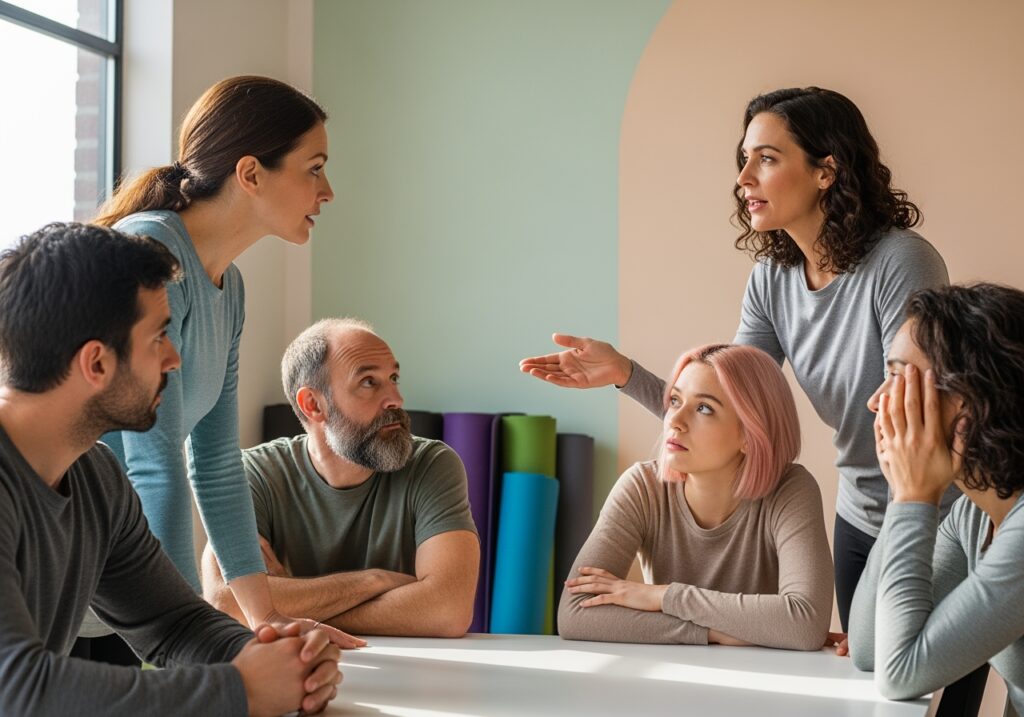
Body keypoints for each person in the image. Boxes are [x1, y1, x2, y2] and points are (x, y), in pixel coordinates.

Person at [520, 86, 956, 634]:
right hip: (861, 514)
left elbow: (923, 411)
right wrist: (624, 374)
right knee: (872, 679)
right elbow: (731, 411)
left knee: (932, 683)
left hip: (934, 509)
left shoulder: (901, 262)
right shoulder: (772, 281)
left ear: (827, 171)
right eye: (743, 159)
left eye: (766, 159)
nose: (744, 177)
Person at [0, 223, 341, 716]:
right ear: (96, 363)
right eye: (159, 336)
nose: (175, 358)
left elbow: (173, 622)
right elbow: (15, 689)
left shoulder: (97, 478)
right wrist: (241, 690)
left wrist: (270, 656)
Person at [86, 75, 358, 651]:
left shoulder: (227, 288)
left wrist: (263, 620)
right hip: (61, 556)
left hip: (110, 582)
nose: (328, 190)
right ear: (251, 173)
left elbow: (213, 464)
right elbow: (154, 467)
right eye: (314, 167)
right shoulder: (150, 253)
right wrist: (189, 643)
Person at [200, 318, 480, 637]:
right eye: (368, 382)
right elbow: (226, 603)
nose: (395, 399)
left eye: (393, 378)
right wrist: (375, 581)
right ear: (313, 405)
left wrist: (283, 602)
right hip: (296, 673)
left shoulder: (432, 465)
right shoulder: (255, 474)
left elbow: (448, 611)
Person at [559, 344, 833, 650]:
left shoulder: (791, 490)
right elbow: (575, 615)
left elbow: (806, 624)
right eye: (675, 400)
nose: (675, 420)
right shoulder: (642, 487)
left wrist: (663, 597)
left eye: (704, 408)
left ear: (750, 432)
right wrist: (712, 633)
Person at [849, 283, 1024, 714]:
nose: (875, 402)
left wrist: (914, 494)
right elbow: (868, 646)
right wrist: (904, 496)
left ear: (970, 402)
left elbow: (899, 671)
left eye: (895, 378)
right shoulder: (973, 516)